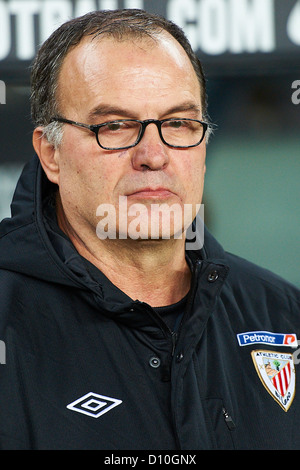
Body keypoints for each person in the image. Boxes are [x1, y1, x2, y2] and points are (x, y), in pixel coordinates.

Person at [0, 9, 299, 451]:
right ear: (51, 154)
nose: (153, 155)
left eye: (179, 123)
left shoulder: (284, 314)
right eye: (115, 126)